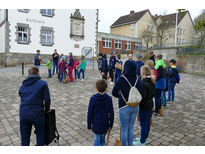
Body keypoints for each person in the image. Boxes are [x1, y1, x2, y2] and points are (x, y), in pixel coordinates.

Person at [19, 67, 51, 146]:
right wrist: (47, 109)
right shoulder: (42, 83)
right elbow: (47, 100)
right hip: (37, 114)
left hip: (24, 114)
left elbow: (20, 94)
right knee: (40, 135)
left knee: (25, 138)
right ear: (38, 73)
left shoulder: (23, 85)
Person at [112, 61, 142, 146]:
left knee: (124, 128)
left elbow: (114, 92)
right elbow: (141, 92)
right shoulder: (138, 79)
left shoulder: (122, 78)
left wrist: (121, 96)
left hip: (124, 106)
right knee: (131, 127)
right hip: (136, 106)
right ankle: (129, 145)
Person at [87, 79, 114, 146]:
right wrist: (111, 125)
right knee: (102, 141)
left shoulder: (93, 98)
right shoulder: (109, 98)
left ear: (96, 88)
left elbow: (90, 113)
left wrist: (89, 124)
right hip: (105, 123)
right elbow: (112, 113)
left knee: (96, 141)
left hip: (96, 124)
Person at [133, 65, 155, 146]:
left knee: (143, 124)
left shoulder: (143, 83)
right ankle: (144, 137)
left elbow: (143, 97)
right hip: (150, 105)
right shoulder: (152, 81)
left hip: (144, 106)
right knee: (147, 123)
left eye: (141, 71)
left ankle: (142, 141)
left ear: (143, 72)